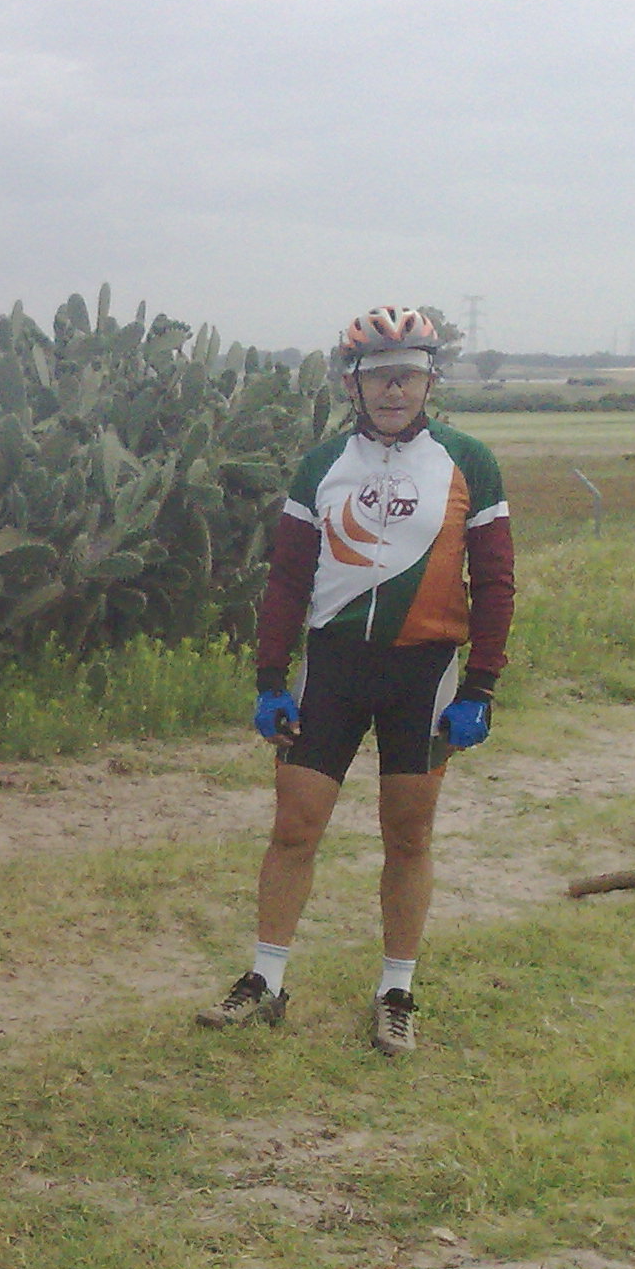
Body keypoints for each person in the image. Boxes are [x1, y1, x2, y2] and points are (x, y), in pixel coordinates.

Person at [197, 307, 515, 1056]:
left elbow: (495, 582)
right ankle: (266, 980)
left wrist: (482, 686)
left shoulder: (469, 460)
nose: (394, 390)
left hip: (425, 670)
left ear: (430, 377)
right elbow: (286, 579)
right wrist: (270, 677)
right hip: (333, 667)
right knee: (294, 825)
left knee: (408, 833)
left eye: (407, 373)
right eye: (379, 376)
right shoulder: (322, 464)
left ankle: (395, 990)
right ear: (354, 383)